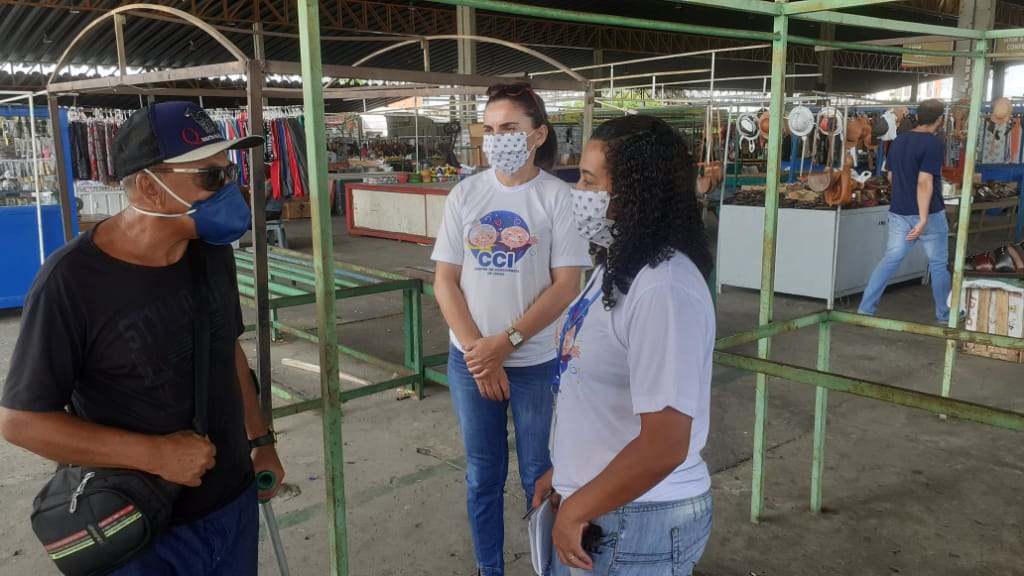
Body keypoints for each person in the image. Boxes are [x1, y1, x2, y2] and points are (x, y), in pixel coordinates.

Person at [0, 101, 284, 575]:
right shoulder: (70, 283)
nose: (231, 189)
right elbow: (22, 423)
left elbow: (226, 347)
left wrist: (260, 440)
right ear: (151, 188)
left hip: (232, 504)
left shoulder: (210, 252)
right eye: (211, 177)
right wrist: (153, 455)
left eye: (230, 172)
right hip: (139, 525)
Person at [535, 115, 716, 576]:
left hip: (636, 520)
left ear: (636, 191)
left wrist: (577, 509)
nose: (577, 192)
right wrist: (567, 472)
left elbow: (664, 444)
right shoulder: (617, 265)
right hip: (604, 503)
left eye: (588, 180)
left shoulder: (663, 289)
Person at [431, 83, 591, 576]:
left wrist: (506, 344)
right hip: (471, 363)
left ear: (537, 134)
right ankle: (489, 567)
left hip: (535, 361)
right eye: (490, 129)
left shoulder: (558, 198)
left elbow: (566, 285)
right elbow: (445, 281)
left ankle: (547, 567)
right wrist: (480, 354)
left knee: (539, 475)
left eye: (509, 128)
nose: (497, 139)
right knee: (482, 475)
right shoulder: (466, 194)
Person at [858, 99, 951, 324]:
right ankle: (945, 314)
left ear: (917, 117)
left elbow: (891, 176)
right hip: (929, 214)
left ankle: (866, 308)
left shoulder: (899, 140)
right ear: (940, 119)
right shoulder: (934, 144)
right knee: (938, 265)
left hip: (899, 211)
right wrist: (923, 218)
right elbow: (924, 182)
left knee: (890, 259)